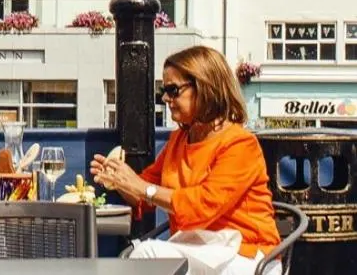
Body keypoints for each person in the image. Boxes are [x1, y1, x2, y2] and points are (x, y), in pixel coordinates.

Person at [92, 45, 279, 275]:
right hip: (198, 250)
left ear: (205, 87)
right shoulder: (179, 140)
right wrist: (119, 180)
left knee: (147, 253)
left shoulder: (240, 144)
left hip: (247, 254)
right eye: (164, 90)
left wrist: (142, 187)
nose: (165, 98)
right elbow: (145, 196)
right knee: (146, 256)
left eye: (173, 90)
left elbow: (203, 205)